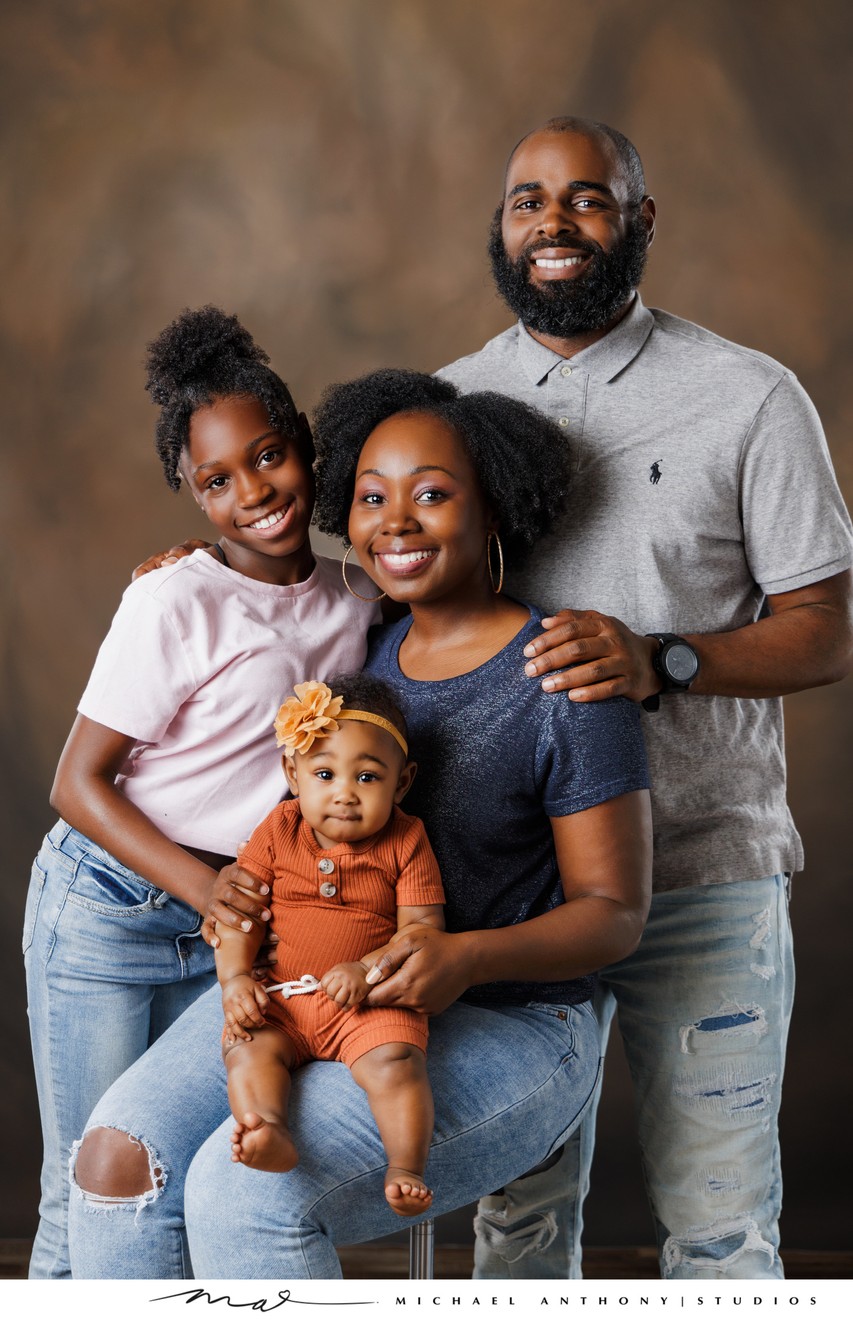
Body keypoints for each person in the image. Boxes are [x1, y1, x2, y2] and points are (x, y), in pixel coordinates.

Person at [66, 370, 652, 1279]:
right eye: (371, 498)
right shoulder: (364, 636)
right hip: (317, 987)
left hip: (515, 1019)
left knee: (243, 1189)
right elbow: (259, 591)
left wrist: (466, 955)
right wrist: (192, 566)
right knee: (116, 1158)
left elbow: (615, 913)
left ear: (492, 504)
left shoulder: (563, 676)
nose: (395, 521)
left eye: (431, 494)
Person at [433, 116, 853, 1280]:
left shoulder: (748, 398)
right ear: (500, 227)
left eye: (585, 198)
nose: (552, 223)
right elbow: (392, 602)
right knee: (515, 1227)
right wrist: (217, 573)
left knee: (721, 1236)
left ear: (639, 218)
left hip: (702, 871)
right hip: (514, 889)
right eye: (527, 200)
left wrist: (661, 657)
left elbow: (825, 632)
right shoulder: (449, 406)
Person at [22, 306, 379, 1279]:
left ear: (303, 442)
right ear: (190, 492)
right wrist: (200, 888)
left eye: (267, 457)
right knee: (89, 1179)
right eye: (217, 480)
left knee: (180, 1167)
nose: (251, 491)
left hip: (233, 925)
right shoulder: (174, 596)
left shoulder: (359, 601)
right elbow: (76, 783)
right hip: (111, 904)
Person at [216, 672, 445, 1216]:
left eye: (367, 777)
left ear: (402, 782)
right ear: (292, 774)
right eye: (324, 773)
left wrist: (368, 968)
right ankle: (268, 1128)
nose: (344, 793)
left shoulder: (406, 839)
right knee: (247, 1050)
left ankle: (406, 1168)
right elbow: (239, 913)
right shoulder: (279, 828)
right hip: (283, 995)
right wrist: (236, 980)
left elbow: (422, 930)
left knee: (396, 1061)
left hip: (365, 1004)